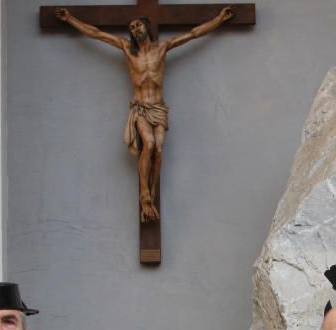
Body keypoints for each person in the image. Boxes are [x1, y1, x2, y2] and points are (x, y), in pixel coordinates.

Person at [53, 6, 234, 222]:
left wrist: (219, 19)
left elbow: (194, 34)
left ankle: (152, 193)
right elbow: (96, 34)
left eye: (138, 24)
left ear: (147, 27)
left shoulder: (162, 48)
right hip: (140, 107)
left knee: (158, 150)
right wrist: (70, 19)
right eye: (131, 27)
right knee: (147, 144)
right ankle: (145, 195)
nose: (134, 28)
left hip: (158, 107)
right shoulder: (127, 49)